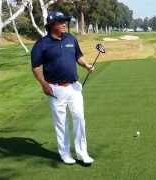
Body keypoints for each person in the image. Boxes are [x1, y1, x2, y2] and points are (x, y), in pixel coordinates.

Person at [31, 11, 94, 165]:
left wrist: (86, 65)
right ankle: (65, 154)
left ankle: (82, 153)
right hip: (55, 89)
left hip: (74, 87)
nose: (65, 24)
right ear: (52, 25)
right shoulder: (42, 44)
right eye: (61, 22)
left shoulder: (71, 39)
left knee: (79, 118)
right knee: (61, 123)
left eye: (65, 21)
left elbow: (78, 56)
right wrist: (44, 84)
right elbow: (36, 67)